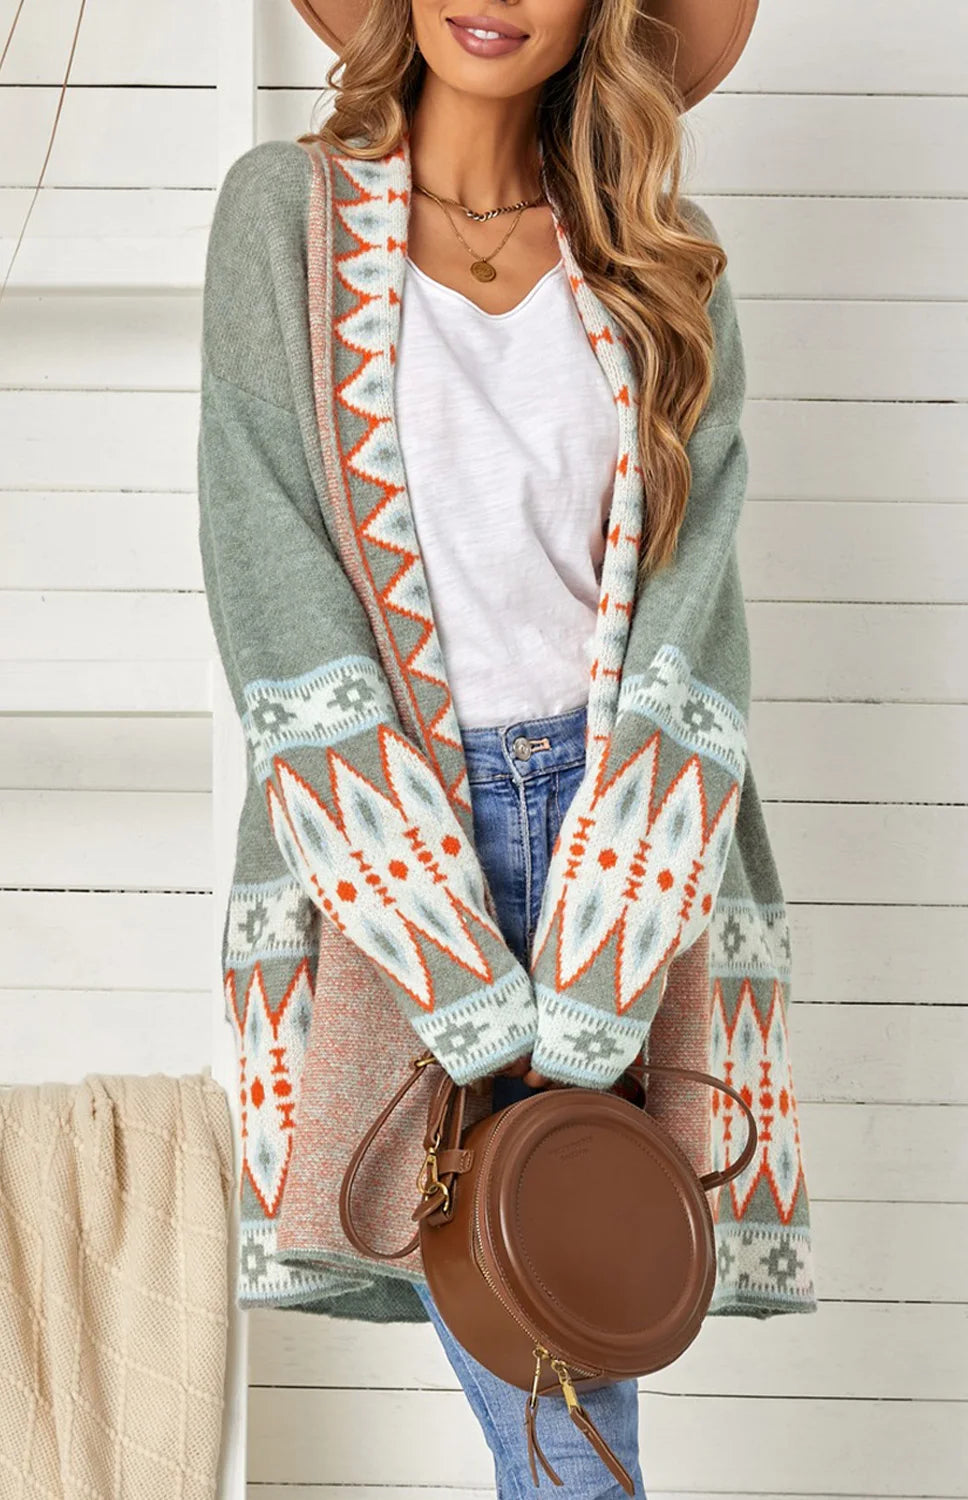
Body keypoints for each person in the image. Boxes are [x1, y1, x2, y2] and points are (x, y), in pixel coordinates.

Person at [198, 0, 817, 1492]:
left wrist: (608, 952)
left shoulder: (661, 259)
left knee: (566, 1377)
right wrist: (447, 958)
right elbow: (266, 560)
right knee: (561, 1403)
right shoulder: (285, 217)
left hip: (621, 841)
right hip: (396, 841)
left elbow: (696, 603)